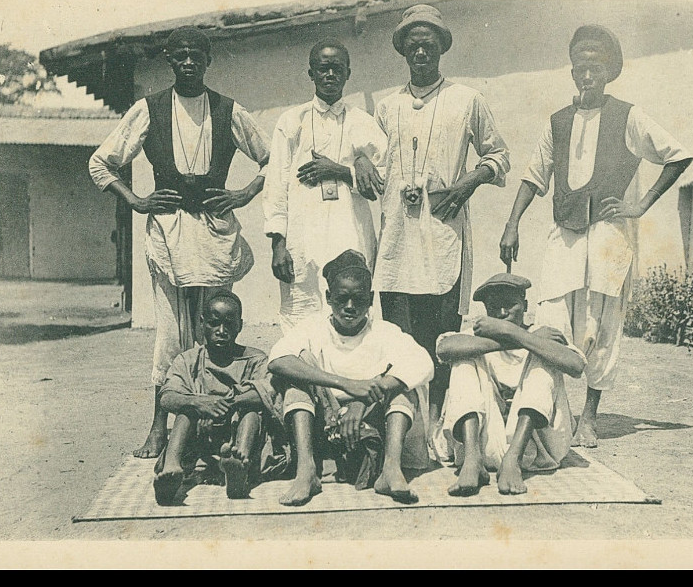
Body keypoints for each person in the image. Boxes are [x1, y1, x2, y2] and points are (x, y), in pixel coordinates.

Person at [499, 24, 693, 448]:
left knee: (602, 326)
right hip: (565, 235)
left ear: (608, 72)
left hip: (608, 238)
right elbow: (535, 176)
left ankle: (589, 416)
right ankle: (558, 411)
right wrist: (512, 223)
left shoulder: (628, 115)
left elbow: (677, 155)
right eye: (581, 67)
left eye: (596, 68)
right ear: (572, 71)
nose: (588, 75)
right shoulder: (558, 121)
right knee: (553, 322)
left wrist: (639, 207)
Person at [88, 26, 270, 459]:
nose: (188, 62)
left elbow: (273, 156)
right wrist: (135, 200)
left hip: (215, 234)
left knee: (219, 329)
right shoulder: (148, 109)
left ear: (208, 60)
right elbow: (102, 162)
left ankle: (219, 422)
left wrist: (243, 193)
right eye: (180, 56)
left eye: (196, 55)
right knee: (171, 335)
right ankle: (159, 425)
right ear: (169, 60)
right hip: (168, 233)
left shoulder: (228, 110)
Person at [351, 4, 511, 447]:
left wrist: (468, 183)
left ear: (441, 48)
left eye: (430, 44)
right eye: (413, 45)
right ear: (403, 51)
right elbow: (363, 150)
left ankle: (442, 425)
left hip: (443, 231)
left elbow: (498, 156)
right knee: (399, 337)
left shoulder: (467, 100)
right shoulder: (386, 107)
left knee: (441, 336)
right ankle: (410, 429)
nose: (421, 51)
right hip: (399, 236)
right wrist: (361, 158)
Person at [268, 250, 434, 507]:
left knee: (404, 388)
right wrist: (345, 384)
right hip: (324, 421)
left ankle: (390, 470)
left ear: (370, 300)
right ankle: (306, 472)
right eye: (342, 298)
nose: (349, 307)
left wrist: (363, 400)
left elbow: (422, 362)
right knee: (294, 385)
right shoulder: (313, 327)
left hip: (371, 422)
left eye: (358, 299)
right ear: (328, 298)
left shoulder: (384, 331)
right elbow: (278, 359)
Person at [262, 39, 386, 332]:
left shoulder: (363, 122)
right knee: (303, 307)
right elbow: (276, 184)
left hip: (350, 230)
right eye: (323, 69)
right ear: (311, 74)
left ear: (348, 74)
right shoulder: (292, 121)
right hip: (304, 233)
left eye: (337, 69)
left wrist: (342, 170)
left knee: (348, 303)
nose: (330, 75)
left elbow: (384, 180)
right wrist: (278, 243)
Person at [436, 273, 585, 496]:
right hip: (483, 441)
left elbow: (575, 365)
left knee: (544, 358)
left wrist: (515, 333)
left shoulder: (541, 333)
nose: (502, 313)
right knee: (464, 359)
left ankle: (512, 460)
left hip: (536, 447)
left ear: (525, 305)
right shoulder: (481, 334)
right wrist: (509, 337)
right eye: (494, 307)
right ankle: (472, 460)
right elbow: (444, 349)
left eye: (510, 305)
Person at [153, 291, 288, 505]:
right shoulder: (188, 360)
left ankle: (239, 465)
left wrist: (228, 404)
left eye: (229, 325)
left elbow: (268, 392)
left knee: (251, 411)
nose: (221, 331)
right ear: (202, 323)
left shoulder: (255, 359)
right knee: (185, 412)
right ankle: (172, 468)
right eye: (214, 324)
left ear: (240, 325)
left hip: (242, 435)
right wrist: (199, 403)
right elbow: (167, 397)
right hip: (198, 437)